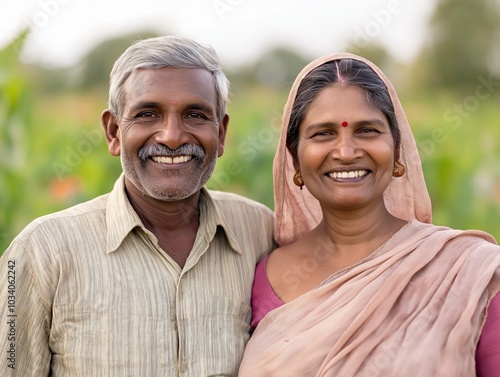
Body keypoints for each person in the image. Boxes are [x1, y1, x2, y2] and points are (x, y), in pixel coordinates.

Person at [0, 35, 275, 376]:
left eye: (195, 114)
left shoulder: (261, 232)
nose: (171, 136)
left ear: (220, 133)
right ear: (114, 131)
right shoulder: (42, 251)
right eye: (147, 114)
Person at [238, 53, 500, 376]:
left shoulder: (469, 272)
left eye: (367, 131)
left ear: (398, 150)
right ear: (294, 158)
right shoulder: (261, 278)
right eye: (323, 133)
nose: (346, 152)